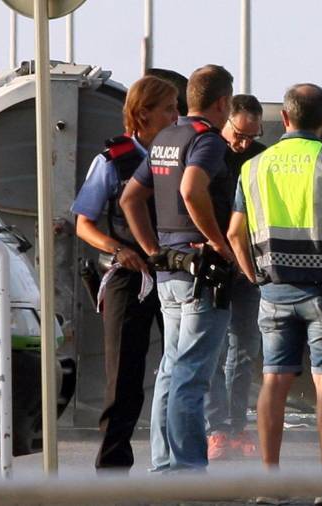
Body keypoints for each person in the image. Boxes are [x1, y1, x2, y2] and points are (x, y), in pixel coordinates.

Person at [228, 83, 322, 506]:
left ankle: (269, 484)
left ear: (286, 119)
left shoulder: (254, 166)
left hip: (275, 291)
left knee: (274, 380)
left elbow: (235, 233)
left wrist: (253, 275)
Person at [120, 64, 236, 472]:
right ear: (223, 103)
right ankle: (188, 470)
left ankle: (165, 464)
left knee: (170, 369)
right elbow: (191, 189)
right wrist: (220, 244)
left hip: (168, 270)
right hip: (201, 274)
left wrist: (153, 247)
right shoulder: (207, 140)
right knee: (191, 374)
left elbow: (130, 199)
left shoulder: (166, 137)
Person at [70, 75, 179, 471]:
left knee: (181, 368)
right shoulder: (112, 160)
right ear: (142, 113)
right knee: (125, 377)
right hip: (127, 277)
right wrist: (119, 249)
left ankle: (176, 462)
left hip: (174, 273)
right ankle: (113, 468)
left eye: (177, 107)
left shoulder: (180, 155)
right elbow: (84, 223)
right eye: (168, 109)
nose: (176, 115)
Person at [204, 95, 267, 460]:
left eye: (250, 136)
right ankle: (217, 429)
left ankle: (238, 424)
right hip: (214, 260)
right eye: (238, 135)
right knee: (213, 348)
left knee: (245, 347)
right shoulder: (209, 150)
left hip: (248, 265)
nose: (242, 143)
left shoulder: (260, 156)